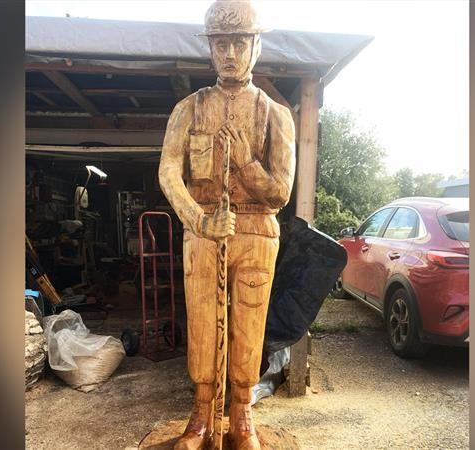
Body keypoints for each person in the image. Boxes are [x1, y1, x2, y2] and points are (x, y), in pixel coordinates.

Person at [157, 1, 296, 448]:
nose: (230, 53)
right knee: (201, 321)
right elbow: (168, 173)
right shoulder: (188, 109)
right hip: (202, 234)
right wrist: (198, 218)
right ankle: (200, 415)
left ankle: (242, 413)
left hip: (256, 234)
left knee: (249, 323)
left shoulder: (276, 115)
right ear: (211, 49)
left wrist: (251, 166)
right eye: (221, 43)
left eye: (239, 42)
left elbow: (280, 193)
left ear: (255, 46)